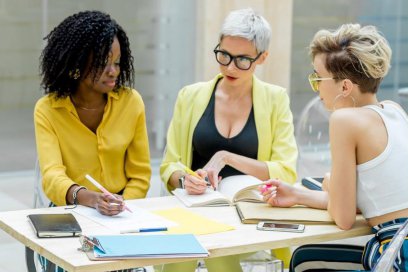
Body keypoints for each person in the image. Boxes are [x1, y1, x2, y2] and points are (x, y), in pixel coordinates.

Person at [260, 23, 408, 271]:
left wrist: (330, 183)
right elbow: (376, 200)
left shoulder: (344, 120)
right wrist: (298, 195)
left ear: (345, 87)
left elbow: (344, 217)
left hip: (398, 252)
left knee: (304, 260)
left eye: (317, 77)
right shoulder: (395, 111)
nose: (317, 88)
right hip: (400, 239)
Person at [159, 8, 298, 272]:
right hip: (196, 215)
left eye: (242, 59)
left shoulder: (275, 99)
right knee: (187, 259)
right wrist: (185, 180)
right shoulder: (190, 96)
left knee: (223, 257)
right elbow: (169, 166)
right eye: (223, 55)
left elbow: (286, 171)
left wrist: (226, 157)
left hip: (251, 218)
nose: (230, 67)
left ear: (263, 57)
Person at [34, 10, 151, 272]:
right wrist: (90, 199)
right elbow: (52, 176)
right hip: (70, 211)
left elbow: (140, 175)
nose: (114, 72)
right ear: (76, 65)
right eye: (103, 63)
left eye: (118, 63)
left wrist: (122, 207)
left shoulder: (132, 103)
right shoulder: (48, 109)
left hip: (123, 212)